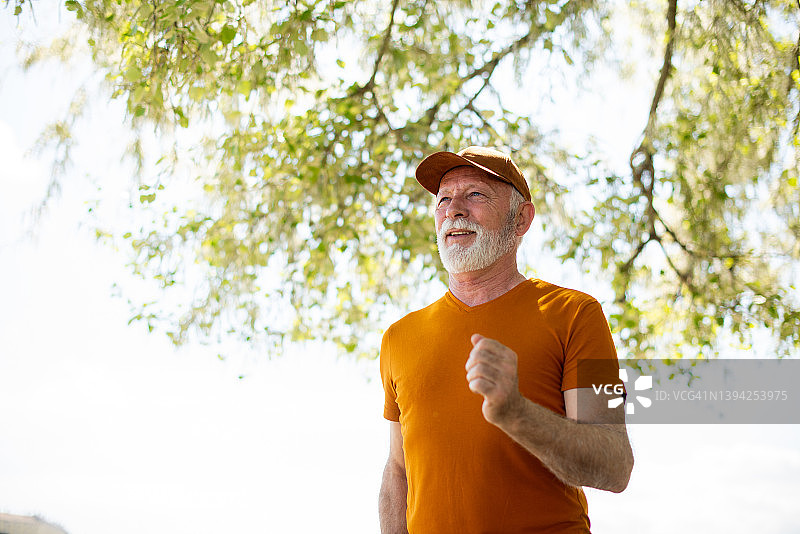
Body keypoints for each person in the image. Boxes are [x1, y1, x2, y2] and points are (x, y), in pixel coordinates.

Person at [378, 146, 633, 534]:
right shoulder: (399, 337)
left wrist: (516, 413)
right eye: (444, 198)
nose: (454, 209)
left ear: (521, 219)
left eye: (475, 195)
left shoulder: (577, 314)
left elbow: (615, 466)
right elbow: (398, 470)